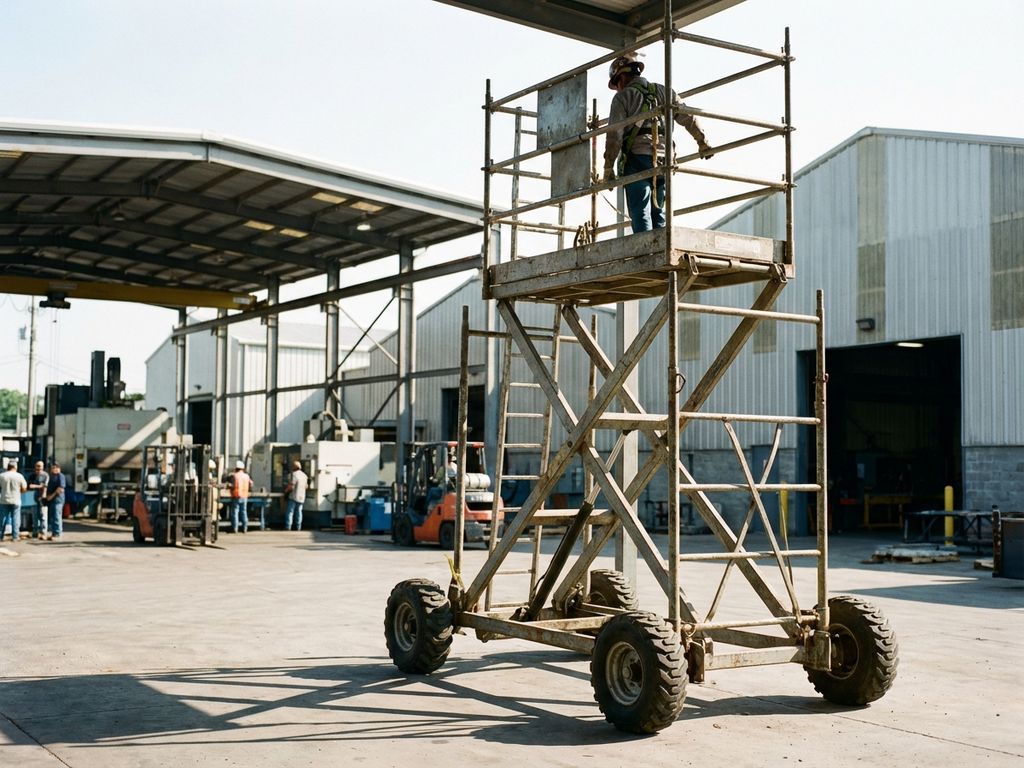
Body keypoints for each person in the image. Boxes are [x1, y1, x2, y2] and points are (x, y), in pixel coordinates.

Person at [602, 52, 713, 233]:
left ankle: (647, 258)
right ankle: (661, 251)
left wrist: (608, 167)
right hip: (664, 160)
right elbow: (688, 116)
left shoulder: (623, 97)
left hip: (637, 160)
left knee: (640, 213)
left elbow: (614, 135)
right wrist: (702, 142)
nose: (617, 89)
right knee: (659, 212)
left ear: (621, 77)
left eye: (616, 84)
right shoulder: (665, 92)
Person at [0, 460, 26, 542]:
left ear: (8, 466)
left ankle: (1, 535)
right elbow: (24, 488)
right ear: (15, 467)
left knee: (2, 518)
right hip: (16, 500)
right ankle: (15, 536)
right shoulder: (19, 476)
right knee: (16, 518)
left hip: (4, 500)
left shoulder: (2, 476)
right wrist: (20, 491)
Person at [43, 462, 66, 540]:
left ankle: (57, 533)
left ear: (59, 468)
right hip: (51, 500)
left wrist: (51, 496)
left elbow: (61, 489)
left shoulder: (60, 476)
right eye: (53, 467)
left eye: (56, 467)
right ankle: (53, 533)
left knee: (57, 516)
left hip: (57, 500)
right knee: (52, 517)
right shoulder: (51, 476)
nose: (54, 469)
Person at [229, 460, 253, 533]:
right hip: (244, 496)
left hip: (236, 496)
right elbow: (251, 484)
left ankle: (235, 528)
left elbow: (232, 485)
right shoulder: (246, 476)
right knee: (244, 512)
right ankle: (245, 528)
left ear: (236, 468)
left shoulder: (235, 476)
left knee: (235, 512)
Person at [284, 460, 308, 531]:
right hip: (301, 496)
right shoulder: (304, 475)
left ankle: (288, 526)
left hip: (293, 496)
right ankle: (298, 526)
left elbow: (291, 486)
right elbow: (306, 486)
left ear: (293, 467)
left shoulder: (294, 475)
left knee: (290, 511)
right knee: (299, 512)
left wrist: (286, 491)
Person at [27, 460, 48, 539]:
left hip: (43, 499)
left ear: (43, 467)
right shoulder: (32, 476)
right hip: (33, 499)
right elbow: (29, 486)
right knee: (34, 516)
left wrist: (42, 495)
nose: (39, 468)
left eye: (40, 466)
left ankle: (43, 533)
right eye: (37, 466)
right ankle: (35, 532)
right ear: (35, 466)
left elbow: (45, 487)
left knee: (43, 516)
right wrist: (40, 486)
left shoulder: (46, 475)